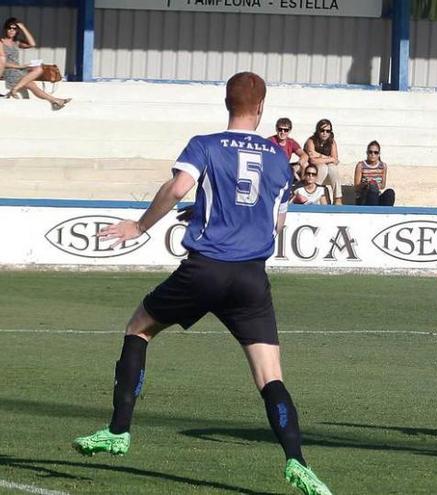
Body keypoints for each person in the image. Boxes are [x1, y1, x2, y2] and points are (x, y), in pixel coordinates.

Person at [71, 72, 332, 495]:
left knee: (139, 327)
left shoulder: (206, 144)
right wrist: (220, 214)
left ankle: (118, 431)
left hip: (206, 268)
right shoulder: (279, 157)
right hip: (251, 278)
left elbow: (178, 187)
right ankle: (297, 462)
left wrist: (140, 224)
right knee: (270, 376)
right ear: (262, 107)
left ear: (226, 102)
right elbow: (276, 221)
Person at [1, 17, 71, 109]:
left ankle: (16, 88)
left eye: (14, 29)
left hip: (19, 69)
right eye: (9, 28)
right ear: (5, 29)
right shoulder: (1, 42)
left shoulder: (16, 42)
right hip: (9, 71)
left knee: (39, 68)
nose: (11, 30)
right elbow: (2, 63)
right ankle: (55, 100)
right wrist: (20, 66)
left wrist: (23, 28)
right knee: (32, 85)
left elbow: (32, 44)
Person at [304, 119, 343, 205]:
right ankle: (315, 192)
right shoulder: (311, 141)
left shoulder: (332, 142)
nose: (325, 133)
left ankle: (338, 198)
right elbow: (312, 160)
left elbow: (335, 160)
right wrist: (329, 158)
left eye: (327, 131)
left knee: (332, 168)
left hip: (328, 171)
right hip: (313, 170)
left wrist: (319, 156)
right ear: (318, 131)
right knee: (323, 167)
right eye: (322, 130)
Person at [354, 140, 395, 206]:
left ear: (378, 154)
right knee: (372, 188)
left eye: (375, 152)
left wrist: (375, 184)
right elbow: (356, 187)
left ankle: (385, 213)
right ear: (367, 153)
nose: (373, 154)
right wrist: (366, 184)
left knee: (390, 193)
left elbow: (382, 186)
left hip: (376, 195)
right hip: (364, 197)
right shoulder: (361, 165)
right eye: (370, 152)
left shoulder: (383, 166)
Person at [267, 117, 308, 181]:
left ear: (290, 131)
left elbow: (304, 155)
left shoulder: (290, 142)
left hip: (287, 167)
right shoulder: (270, 141)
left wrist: (300, 162)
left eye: (285, 130)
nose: (282, 132)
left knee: (305, 164)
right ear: (276, 129)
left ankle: (302, 184)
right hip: (273, 168)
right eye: (280, 129)